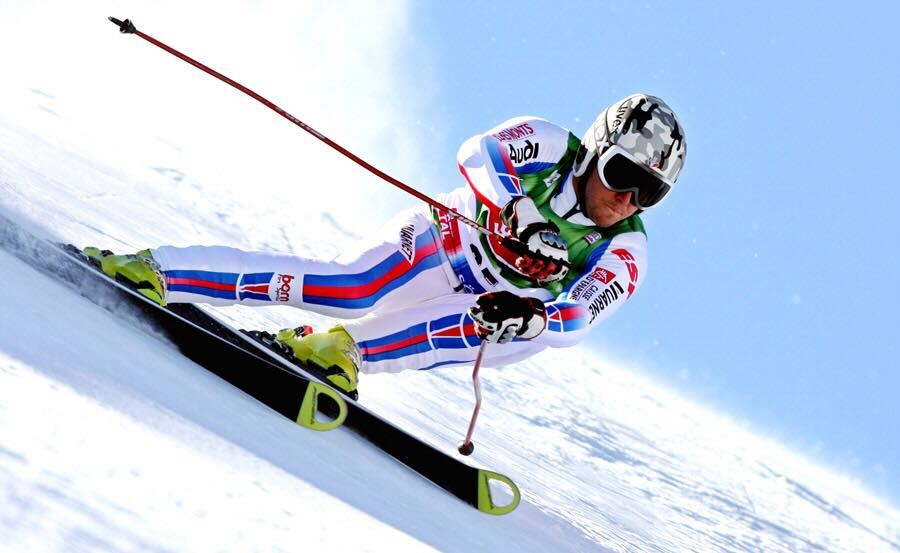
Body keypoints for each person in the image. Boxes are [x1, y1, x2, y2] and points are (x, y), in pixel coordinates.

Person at [85, 93, 686, 395]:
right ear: (595, 151)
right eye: (622, 175)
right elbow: (478, 152)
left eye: (649, 192)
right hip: (447, 240)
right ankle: (156, 269)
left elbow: (581, 314)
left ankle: (338, 353)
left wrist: (533, 314)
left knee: (484, 322)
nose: (627, 198)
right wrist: (518, 209)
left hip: (498, 310)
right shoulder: (553, 145)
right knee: (347, 287)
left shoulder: (627, 250)